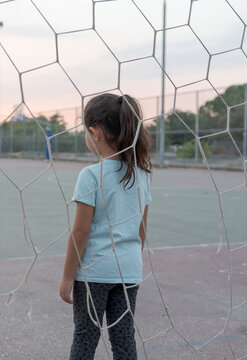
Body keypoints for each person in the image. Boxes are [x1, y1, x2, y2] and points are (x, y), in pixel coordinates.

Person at [59, 93, 152, 360]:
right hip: (129, 272)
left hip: (94, 274)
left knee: (86, 337)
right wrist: (129, 257)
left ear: (94, 133)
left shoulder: (90, 175)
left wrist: (67, 276)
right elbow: (141, 230)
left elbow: (80, 232)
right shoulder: (142, 174)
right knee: (124, 338)